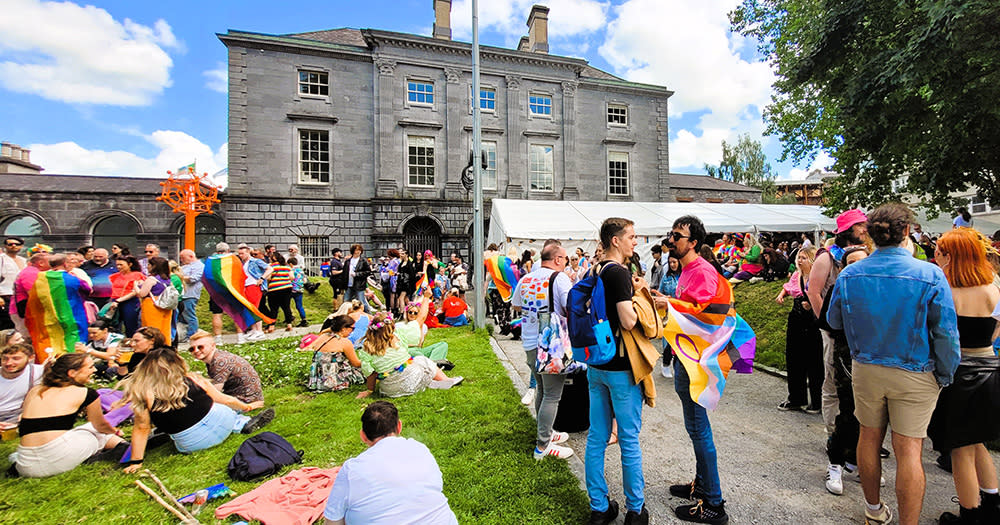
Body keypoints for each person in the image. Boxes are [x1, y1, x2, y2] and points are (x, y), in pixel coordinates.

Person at [827, 203, 961, 525]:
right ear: (906, 232)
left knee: (868, 438)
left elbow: (833, 319)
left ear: (871, 235)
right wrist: (946, 372)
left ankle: (873, 510)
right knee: (909, 450)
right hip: (914, 369)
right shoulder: (930, 274)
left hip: (868, 367)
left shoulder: (850, 273)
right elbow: (945, 332)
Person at [652, 215, 730, 524]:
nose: (671, 240)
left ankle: (713, 503)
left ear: (693, 242)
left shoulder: (702, 271)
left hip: (698, 362)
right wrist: (666, 301)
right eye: (671, 234)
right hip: (687, 357)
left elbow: (706, 317)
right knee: (695, 428)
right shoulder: (687, 270)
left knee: (699, 429)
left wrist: (666, 303)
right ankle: (702, 484)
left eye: (677, 236)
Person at [926, 228, 1000, 524]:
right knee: (977, 441)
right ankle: (992, 501)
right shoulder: (993, 288)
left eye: (941, 251)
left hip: (960, 374)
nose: (936, 255)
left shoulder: (947, 290)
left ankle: (969, 514)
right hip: (991, 368)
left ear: (952, 256)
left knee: (959, 450)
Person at [585, 217, 649, 525]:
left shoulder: (593, 270)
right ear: (616, 241)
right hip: (622, 367)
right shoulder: (620, 273)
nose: (635, 242)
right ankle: (635, 510)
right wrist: (640, 299)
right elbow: (627, 321)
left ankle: (599, 507)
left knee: (596, 437)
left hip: (596, 363)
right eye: (632, 237)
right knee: (628, 439)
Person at [121, 347, 273, 473]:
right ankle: (241, 422)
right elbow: (226, 399)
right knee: (225, 408)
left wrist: (136, 461)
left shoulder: (143, 393)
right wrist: (247, 407)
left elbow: (142, 428)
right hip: (224, 423)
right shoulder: (193, 379)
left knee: (175, 428)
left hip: (192, 444)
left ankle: (238, 422)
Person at [807, 208, 869, 491]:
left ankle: (856, 444)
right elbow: (814, 291)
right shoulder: (827, 257)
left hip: (859, 335)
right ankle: (835, 435)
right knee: (833, 384)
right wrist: (828, 326)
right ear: (849, 230)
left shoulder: (866, 254)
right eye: (861, 226)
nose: (865, 230)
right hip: (834, 330)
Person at [322, 401, 458, 525]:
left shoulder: (351, 469)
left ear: (363, 436)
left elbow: (333, 521)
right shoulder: (420, 449)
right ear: (399, 426)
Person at [11, 353, 125, 477]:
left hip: (25, 464)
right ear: (72, 373)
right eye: (90, 367)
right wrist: (114, 431)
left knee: (76, 431)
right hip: (56, 460)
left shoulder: (35, 390)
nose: (95, 370)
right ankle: (122, 447)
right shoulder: (85, 392)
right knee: (95, 432)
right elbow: (100, 426)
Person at [512, 242, 575, 460]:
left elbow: (516, 305)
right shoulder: (560, 278)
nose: (566, 262)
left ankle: (545, 432)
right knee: (552, 395)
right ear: (557, 259)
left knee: (541, 388)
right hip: (551, 344)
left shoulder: (527, 277)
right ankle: (543, 446)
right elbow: (571, 307)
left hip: (529, 341)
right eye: (565, 259)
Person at [356, 312, 462, 399]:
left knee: (414, 364)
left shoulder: (367, 348)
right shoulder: (397, 338)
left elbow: (370, 373)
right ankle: (446, 380)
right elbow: (408, 355)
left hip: (390, 391)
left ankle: (429, 382)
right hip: (411, 380)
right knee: (421, 360)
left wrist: (370, 390)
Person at [775, 247, 822, 413]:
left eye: (804, 258)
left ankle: (817, 400)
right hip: (796, 317)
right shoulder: (797, 275)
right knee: (794, 357)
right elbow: (788, 287)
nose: (800, 261)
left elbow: (823, 295)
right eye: (799, 258)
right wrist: (782, 295)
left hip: (813, 320)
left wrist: (812, 304)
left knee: (814, 360)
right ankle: (796, 397)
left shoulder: (818, 277)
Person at [188, 330, 264, 403]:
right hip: (246, 397)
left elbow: (215, 393)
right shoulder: (216, 358)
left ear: (213, 346)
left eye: (200, 347)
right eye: (192, 349)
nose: (196, 351)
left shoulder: (220, 362)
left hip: (246, 400)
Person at [305, 315, 365, 392]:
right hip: (334, 380)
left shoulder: (322, 337)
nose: (352, 331)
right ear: (343, 328)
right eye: (352, 328)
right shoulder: (344, 342)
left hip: (317, 379)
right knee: (365, 370)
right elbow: (356, 363)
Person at [396, 291, 450, 364]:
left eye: (415, 313)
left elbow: (420, 344)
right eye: (410, 312)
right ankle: (432, 364)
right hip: (407, 350)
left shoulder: (423, 326)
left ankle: (433, 362)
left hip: (417, 350)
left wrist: (420, 327)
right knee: (417, 354)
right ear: (407, 313)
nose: (412, 314)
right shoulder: (399, 325)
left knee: (443, 345)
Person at [135, 256, 176, 346]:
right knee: (165, 329)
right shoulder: (167, 279)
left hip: (152, 305)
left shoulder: (151, 279)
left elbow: (142, 294)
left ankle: (153, 348)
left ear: (155, 266)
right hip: (165, 305)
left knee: (151, 330)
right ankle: (165, 347)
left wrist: (135, 286)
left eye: (149, 264)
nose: (147, 266)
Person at [0, 343, 43, 423]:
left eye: (16, 358)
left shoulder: (38, 371)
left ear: (30, 358)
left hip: (22, 414)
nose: (9, 363)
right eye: (5, 359)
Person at [237, 244, 268, 342]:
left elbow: (269, 268)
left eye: (242, 253)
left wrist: (262, 278)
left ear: (247, 252)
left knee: (254, 308)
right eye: (239, 254)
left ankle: (259, 331)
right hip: (247, 286)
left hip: (253, 286)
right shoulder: (244, 263)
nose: (240, 255)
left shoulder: (255, 261)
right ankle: (254, 330)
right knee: (249, 308)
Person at [108, 256, 144, 337]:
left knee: (130, 324)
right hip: (114, 301)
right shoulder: (115, 276)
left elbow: (135, 292)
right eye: (117, 265)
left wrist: (119, 300)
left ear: (130, 264)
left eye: (121, 265)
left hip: (130, 301)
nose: (119, 267)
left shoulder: (137, 275)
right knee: (114, 324)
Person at [177, 249, 204, 342]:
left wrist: (179, 277)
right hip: (181, 295)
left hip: (190, 295)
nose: (181, 260)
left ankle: (192, 336)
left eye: (183, 258)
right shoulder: (184, 267)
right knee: (181, 317)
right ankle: (183, 336)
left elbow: (193, 279)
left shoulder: (200, 266)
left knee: (189, 316)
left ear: (191, 256)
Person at [1, 237, 27, 331]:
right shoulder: (2, 259)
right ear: (5, 246)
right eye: (10, 244)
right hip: (5, 296)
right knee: (7, 325)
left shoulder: (24, 260)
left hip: (20, 298)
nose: (13, 246)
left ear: (21, 246)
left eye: (16, 244)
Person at [265, 252, 294, 333]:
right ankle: (289, 324)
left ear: (274, 258)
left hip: (274, 289)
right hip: (287, 288)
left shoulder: (271, 266)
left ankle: (272, 326)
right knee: (286, 307)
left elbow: (268, 277)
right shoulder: (286, 266)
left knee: (274, 308)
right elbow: (292, 277)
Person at [345, 245, 372, 313]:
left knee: (361, 301)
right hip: (349, 283)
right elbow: (344, 273)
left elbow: (368, 271)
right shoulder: (348, 261)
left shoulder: (363, 261)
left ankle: (370, 315)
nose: (358, 252)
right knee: (346, 300)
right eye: (356, 250)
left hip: (359, 284)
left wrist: (357, 274)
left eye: (359, 250)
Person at [288, 257, 310, 327]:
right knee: (299, 306)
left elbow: (291, 278)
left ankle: (289, 318)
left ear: (290, 264)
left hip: (292, 289)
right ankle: (304, 319)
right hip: (300, 289)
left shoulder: (291, 270)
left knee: (287, 305)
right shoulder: (301, 270)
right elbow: (305, 281)